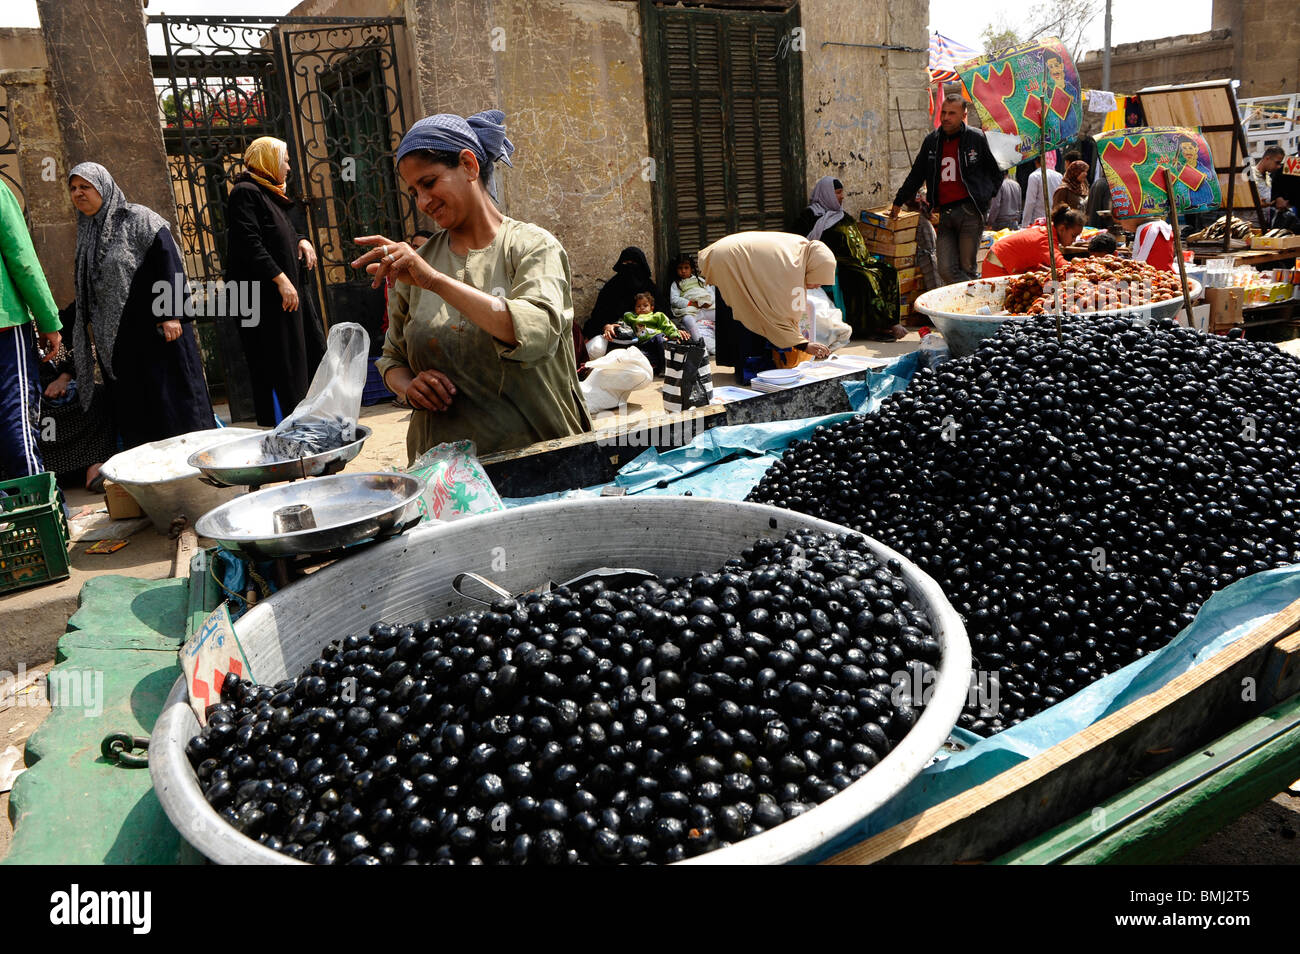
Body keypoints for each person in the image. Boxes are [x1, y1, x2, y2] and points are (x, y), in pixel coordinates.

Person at [357, 109, 591, 463]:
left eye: (429, 182)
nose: (422, 202)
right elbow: (392, 358)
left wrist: (435, 281)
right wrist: (408, 387)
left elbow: (536, 333)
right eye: (413, 191)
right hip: (445, 476)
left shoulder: (531, 247)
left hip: (536, 462)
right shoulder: (419, 263)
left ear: (468, 165)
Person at [67, 163, 212, 478]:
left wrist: (171, 314)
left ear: (103, 187)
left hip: (160, 336)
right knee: (139, 416)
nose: (78, 194)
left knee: (175, 407)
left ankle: (196, 477)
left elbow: (169, 264)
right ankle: (154, 484)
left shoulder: (140, 219)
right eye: (73, 188)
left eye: (85, 187)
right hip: (120, 345)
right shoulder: (86, 231)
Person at [225, 136, 315, 427]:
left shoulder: (269, 193)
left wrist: (302, 240)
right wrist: (281, 280)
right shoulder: (245, 193)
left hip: (282, 299)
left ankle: (299, 427)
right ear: (269, 161)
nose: (288, 167)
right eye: (285, 160)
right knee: (278, 367)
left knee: (297, 364)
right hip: (263, 300)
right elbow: (249, 242)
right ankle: (284, 431)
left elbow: (282, 230)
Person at [890, 94, 1002, 286]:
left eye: (952, 113)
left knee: (967, 266)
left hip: (971, 212)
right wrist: (899, 200)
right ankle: (972, 297)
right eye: (944, 113)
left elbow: (998, 169)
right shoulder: (932, 141)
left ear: (963, 115)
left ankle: (968, 310)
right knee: (945, 269)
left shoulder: (977, 138)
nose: (946, 118)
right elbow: (917, 174)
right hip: (945, 213)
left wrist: (986, 196)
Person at [698, 231, 835, 380]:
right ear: (813, 268)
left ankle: (741, 366)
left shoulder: (801, 252)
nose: (817, 286)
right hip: (729, 261)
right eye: (819, 280)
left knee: (740, 312)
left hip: (727, 256)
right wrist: (803, 345)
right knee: (750, 315)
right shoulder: (793, 267)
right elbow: (780, 315)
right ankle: (750, 371)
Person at [0, 179, 61, 481]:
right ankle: (38, 504)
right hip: (5, 324)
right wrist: (48, 321)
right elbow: (23, 261)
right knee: (16, 417)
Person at [802, 175, 904, 339]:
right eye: (837, 193)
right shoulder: (810, 217)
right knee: (865, 278)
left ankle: (889, 321)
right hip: (838, 264)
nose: (842, 196)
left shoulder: (842, 215)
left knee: (889, 271)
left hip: (860, 261)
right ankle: (871, 328)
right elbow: (802, 242)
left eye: (842, 192)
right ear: (826, 194)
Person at [581, 247, 659, 369]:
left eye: (634, 264)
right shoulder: (612, 286)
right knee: (597, 348)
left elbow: (662, 313)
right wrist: (606, 326)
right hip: (615, 336)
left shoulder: (650, 287)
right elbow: (598, 314)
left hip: (644, 335)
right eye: (626, 264)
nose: (630, 267)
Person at [981, 206, 1083, 278]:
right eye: (1073, 236)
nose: (1074, 240)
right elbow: (1062, 266)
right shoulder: (1046, 240)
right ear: (1062, 228)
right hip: (997, 266)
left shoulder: (1046, 233)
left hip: (1000, 261)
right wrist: (1084, 268)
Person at [667, 254, 713, 344]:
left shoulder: (700, 280)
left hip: (706, 308)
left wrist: (709, 303)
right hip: (691, 309)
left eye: (686, 268)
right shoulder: (676, 284)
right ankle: (699, 343)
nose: (683, 271)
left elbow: (711, 293)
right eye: (680, 268)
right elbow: (674, 300)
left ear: (691, 268)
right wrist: (691, 303)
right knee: (688, 320)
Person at [1021, 157, 1064, 228]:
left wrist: (1024, 225)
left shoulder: (1034, 176)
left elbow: (1030, 202)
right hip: (1054, 220)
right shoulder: (1058, 175)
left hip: (1038, 222)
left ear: (1035, 162)